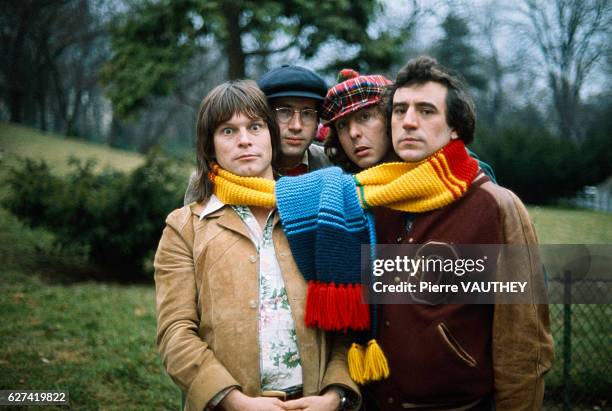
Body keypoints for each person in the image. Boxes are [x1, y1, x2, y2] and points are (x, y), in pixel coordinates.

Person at [154, 80, 359, 411]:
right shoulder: (184, 227)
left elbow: (347, 319)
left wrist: (335, 395)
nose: (245, 140)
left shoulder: (317, 209)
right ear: (210, 147)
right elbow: (175, 332)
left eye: (254, 126)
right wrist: (233, 401)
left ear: (271, 137)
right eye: (228, 131)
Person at [365, 56, 554, 410]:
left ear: (455, 128)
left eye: (425, 111)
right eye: (399, 110)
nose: (407, 121)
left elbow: (523, 345)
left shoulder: (495, 205)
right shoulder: (377, 199)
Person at [183, 65, 330, 204]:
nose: (296, 126)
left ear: (318, 121)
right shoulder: (212, 178)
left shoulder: (332, 163)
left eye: (307, 114)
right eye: (284, 112)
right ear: (266, 116)